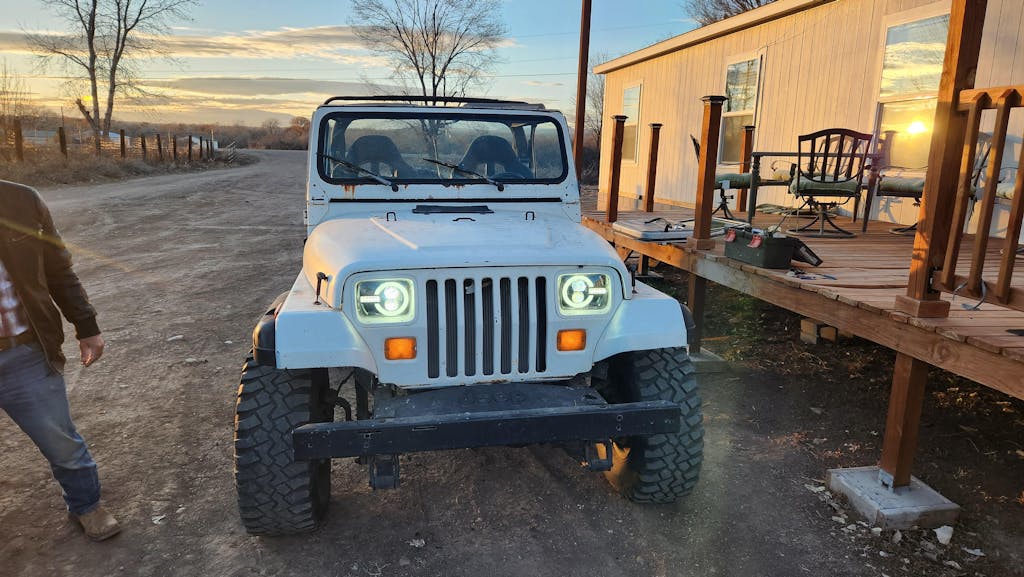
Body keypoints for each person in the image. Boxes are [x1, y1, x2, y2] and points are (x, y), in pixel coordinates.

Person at [0, 180, 120, 541]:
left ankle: (87, 506)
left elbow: (58, 270)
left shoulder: (21, 201)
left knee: (60, 440)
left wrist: (87, 325)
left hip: (22, 351)